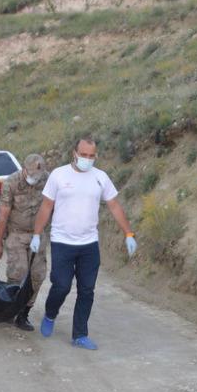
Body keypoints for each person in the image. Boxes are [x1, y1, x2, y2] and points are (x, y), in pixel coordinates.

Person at [31, 136, 137, 350]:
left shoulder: (101, 177)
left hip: (89, 244)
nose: (87, 159)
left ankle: (80, 334)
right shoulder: (59, 175)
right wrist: (36, 233)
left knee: (87, 290)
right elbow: (46, 206)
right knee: (61, 285)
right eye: (84, 155)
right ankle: (50, 314)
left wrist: (128, 234)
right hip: (62, 241)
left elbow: (114, 205)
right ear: (75, 153)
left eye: (91, 156)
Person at [0, 153, 49, 331]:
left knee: (37, 275)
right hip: (16, 234)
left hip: (38, 235)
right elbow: (2, 216)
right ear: (24, 170)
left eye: (38, 176)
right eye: (32, 175)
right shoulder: (12, 182)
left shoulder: (47, 179)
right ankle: (11, 309)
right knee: (18, 273)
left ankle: (24, 313)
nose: (35, 179)